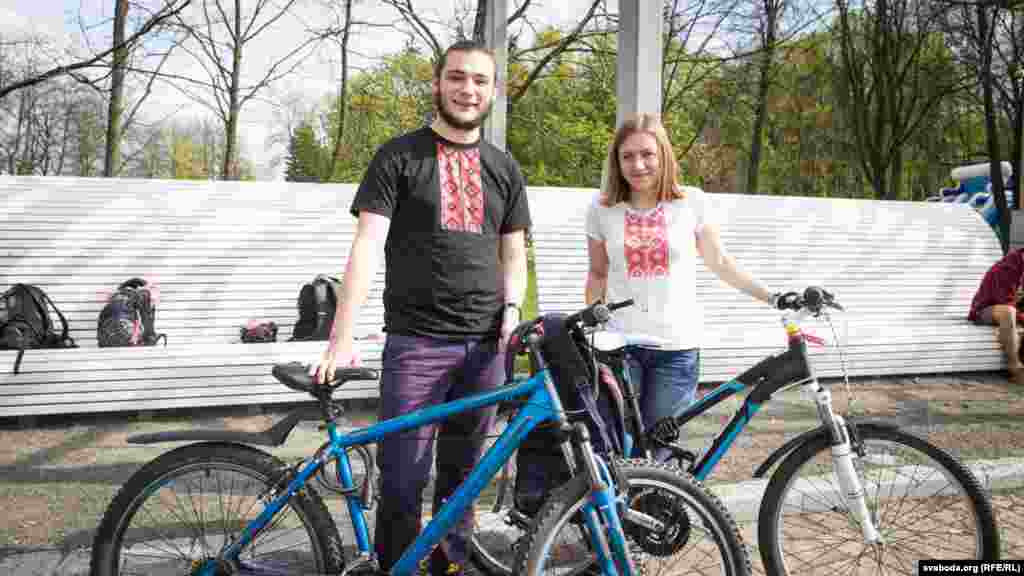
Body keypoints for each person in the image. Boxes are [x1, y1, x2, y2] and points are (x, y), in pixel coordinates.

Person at [313, 40, 531, 576]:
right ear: (437, 84)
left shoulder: (505, 168)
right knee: (403, 481)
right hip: (416, 346)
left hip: (486, 349)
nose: (467, 89)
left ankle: (448, 567)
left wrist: (511, 311)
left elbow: (514, 254)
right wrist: (342, 337)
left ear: (494, 91)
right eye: (456, 77)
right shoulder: (398, 156)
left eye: (479, 80)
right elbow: (366, 245)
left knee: (464, 482)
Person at [584, 113, 778, 457]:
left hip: (676, 351)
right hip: (619, 349)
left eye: (647, 154)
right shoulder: (602, 209)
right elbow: (598, 273)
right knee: (617, 452)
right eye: (627, 156)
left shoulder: (691, 202)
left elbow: (720, 263)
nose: (638, 164)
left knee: (659, 454)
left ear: (663, 155)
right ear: (616, 161)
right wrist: (592, 330)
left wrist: (773, 297)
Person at [968, 248, 1024, 385]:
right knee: (1008, 312)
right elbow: (1004, 301)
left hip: (1013, 309)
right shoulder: (1007, 268)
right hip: (985, 311)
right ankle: (1015, 369)